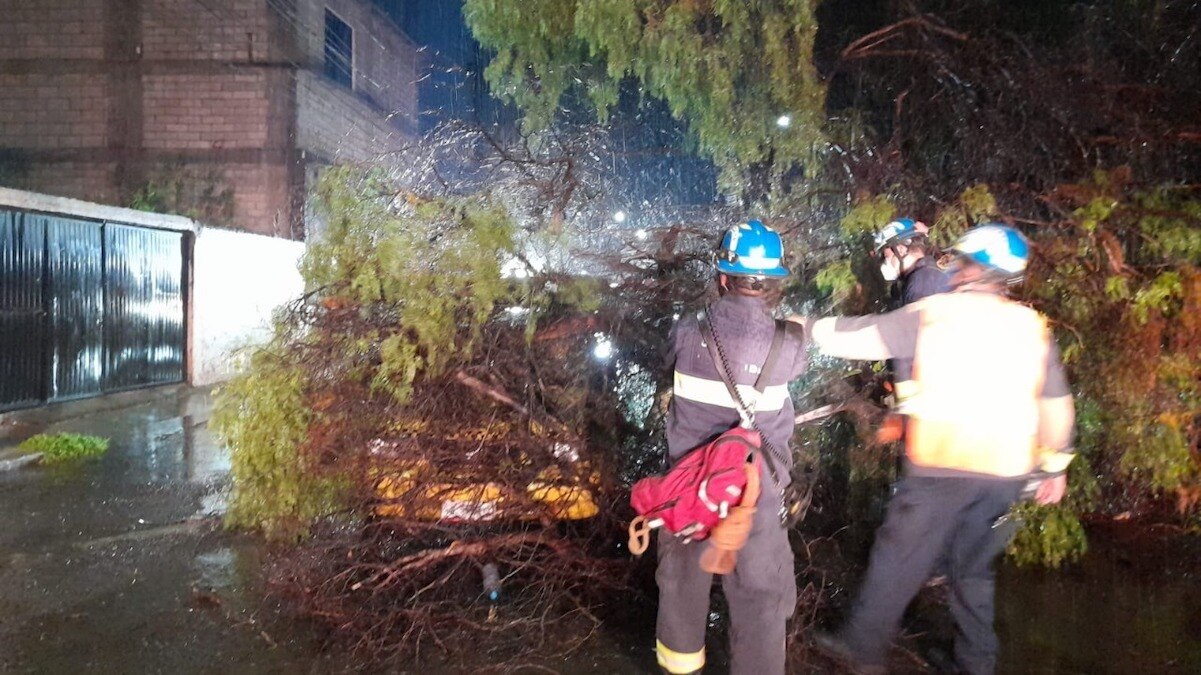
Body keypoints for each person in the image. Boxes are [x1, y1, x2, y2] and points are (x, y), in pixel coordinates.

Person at [800, 224, 1077, 675]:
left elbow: (860, 335)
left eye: (960, 261)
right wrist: (1055, 467)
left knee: (898, 558)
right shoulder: (1031, 327)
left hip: (943, 465)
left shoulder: (935, 313)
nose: (953, 268)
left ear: (972, 268)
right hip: (1007, 474)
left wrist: (805, 327)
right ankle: (975, 665)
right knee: (972, 571)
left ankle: (861, 651)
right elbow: (1057, 404)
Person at [656, 219, 808, 675]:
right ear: (773, 282)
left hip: (688, 487)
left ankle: (679, 668)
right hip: (753, 489)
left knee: (681, 588)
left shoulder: (686, 330)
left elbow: (668, 367)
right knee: (760, 596)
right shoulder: (790, 341)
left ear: (723, 276)